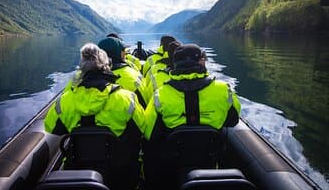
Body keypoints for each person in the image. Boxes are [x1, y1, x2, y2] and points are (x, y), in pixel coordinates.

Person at [44, 43, 146, 190]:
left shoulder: (64, 100)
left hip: (77, 170)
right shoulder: (126, 99)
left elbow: (52, 128)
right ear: (107, 66)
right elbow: (143, 129)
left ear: (82, 68)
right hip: (119, 172)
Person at [143, 43, 241, 189]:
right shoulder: (223, 89)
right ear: (199, 62)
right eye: (203, 58)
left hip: (173, 164)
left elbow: (149, 134)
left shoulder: (161, 94)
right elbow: (233, 120)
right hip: (210, 159)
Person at [98, 37, 149, 107]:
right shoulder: (133, 76)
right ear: (117, 53)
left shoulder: (84, 78)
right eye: (123, 50)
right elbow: (145, 103)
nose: (125, 52)